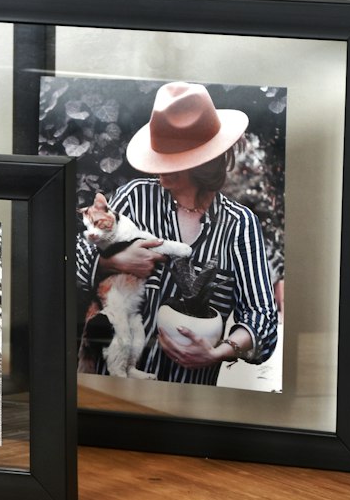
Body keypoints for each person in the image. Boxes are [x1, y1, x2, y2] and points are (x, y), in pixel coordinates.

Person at [75, 81, 279, 385]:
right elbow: (70, 264)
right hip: (113, 390)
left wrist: (220, 352)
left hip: (190, 401)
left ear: (205, 160)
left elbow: (262, 318)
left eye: (174, 159)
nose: (160, 167)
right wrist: (113, 262)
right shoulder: (133, 198)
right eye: (160, 154)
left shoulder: (239, 224)